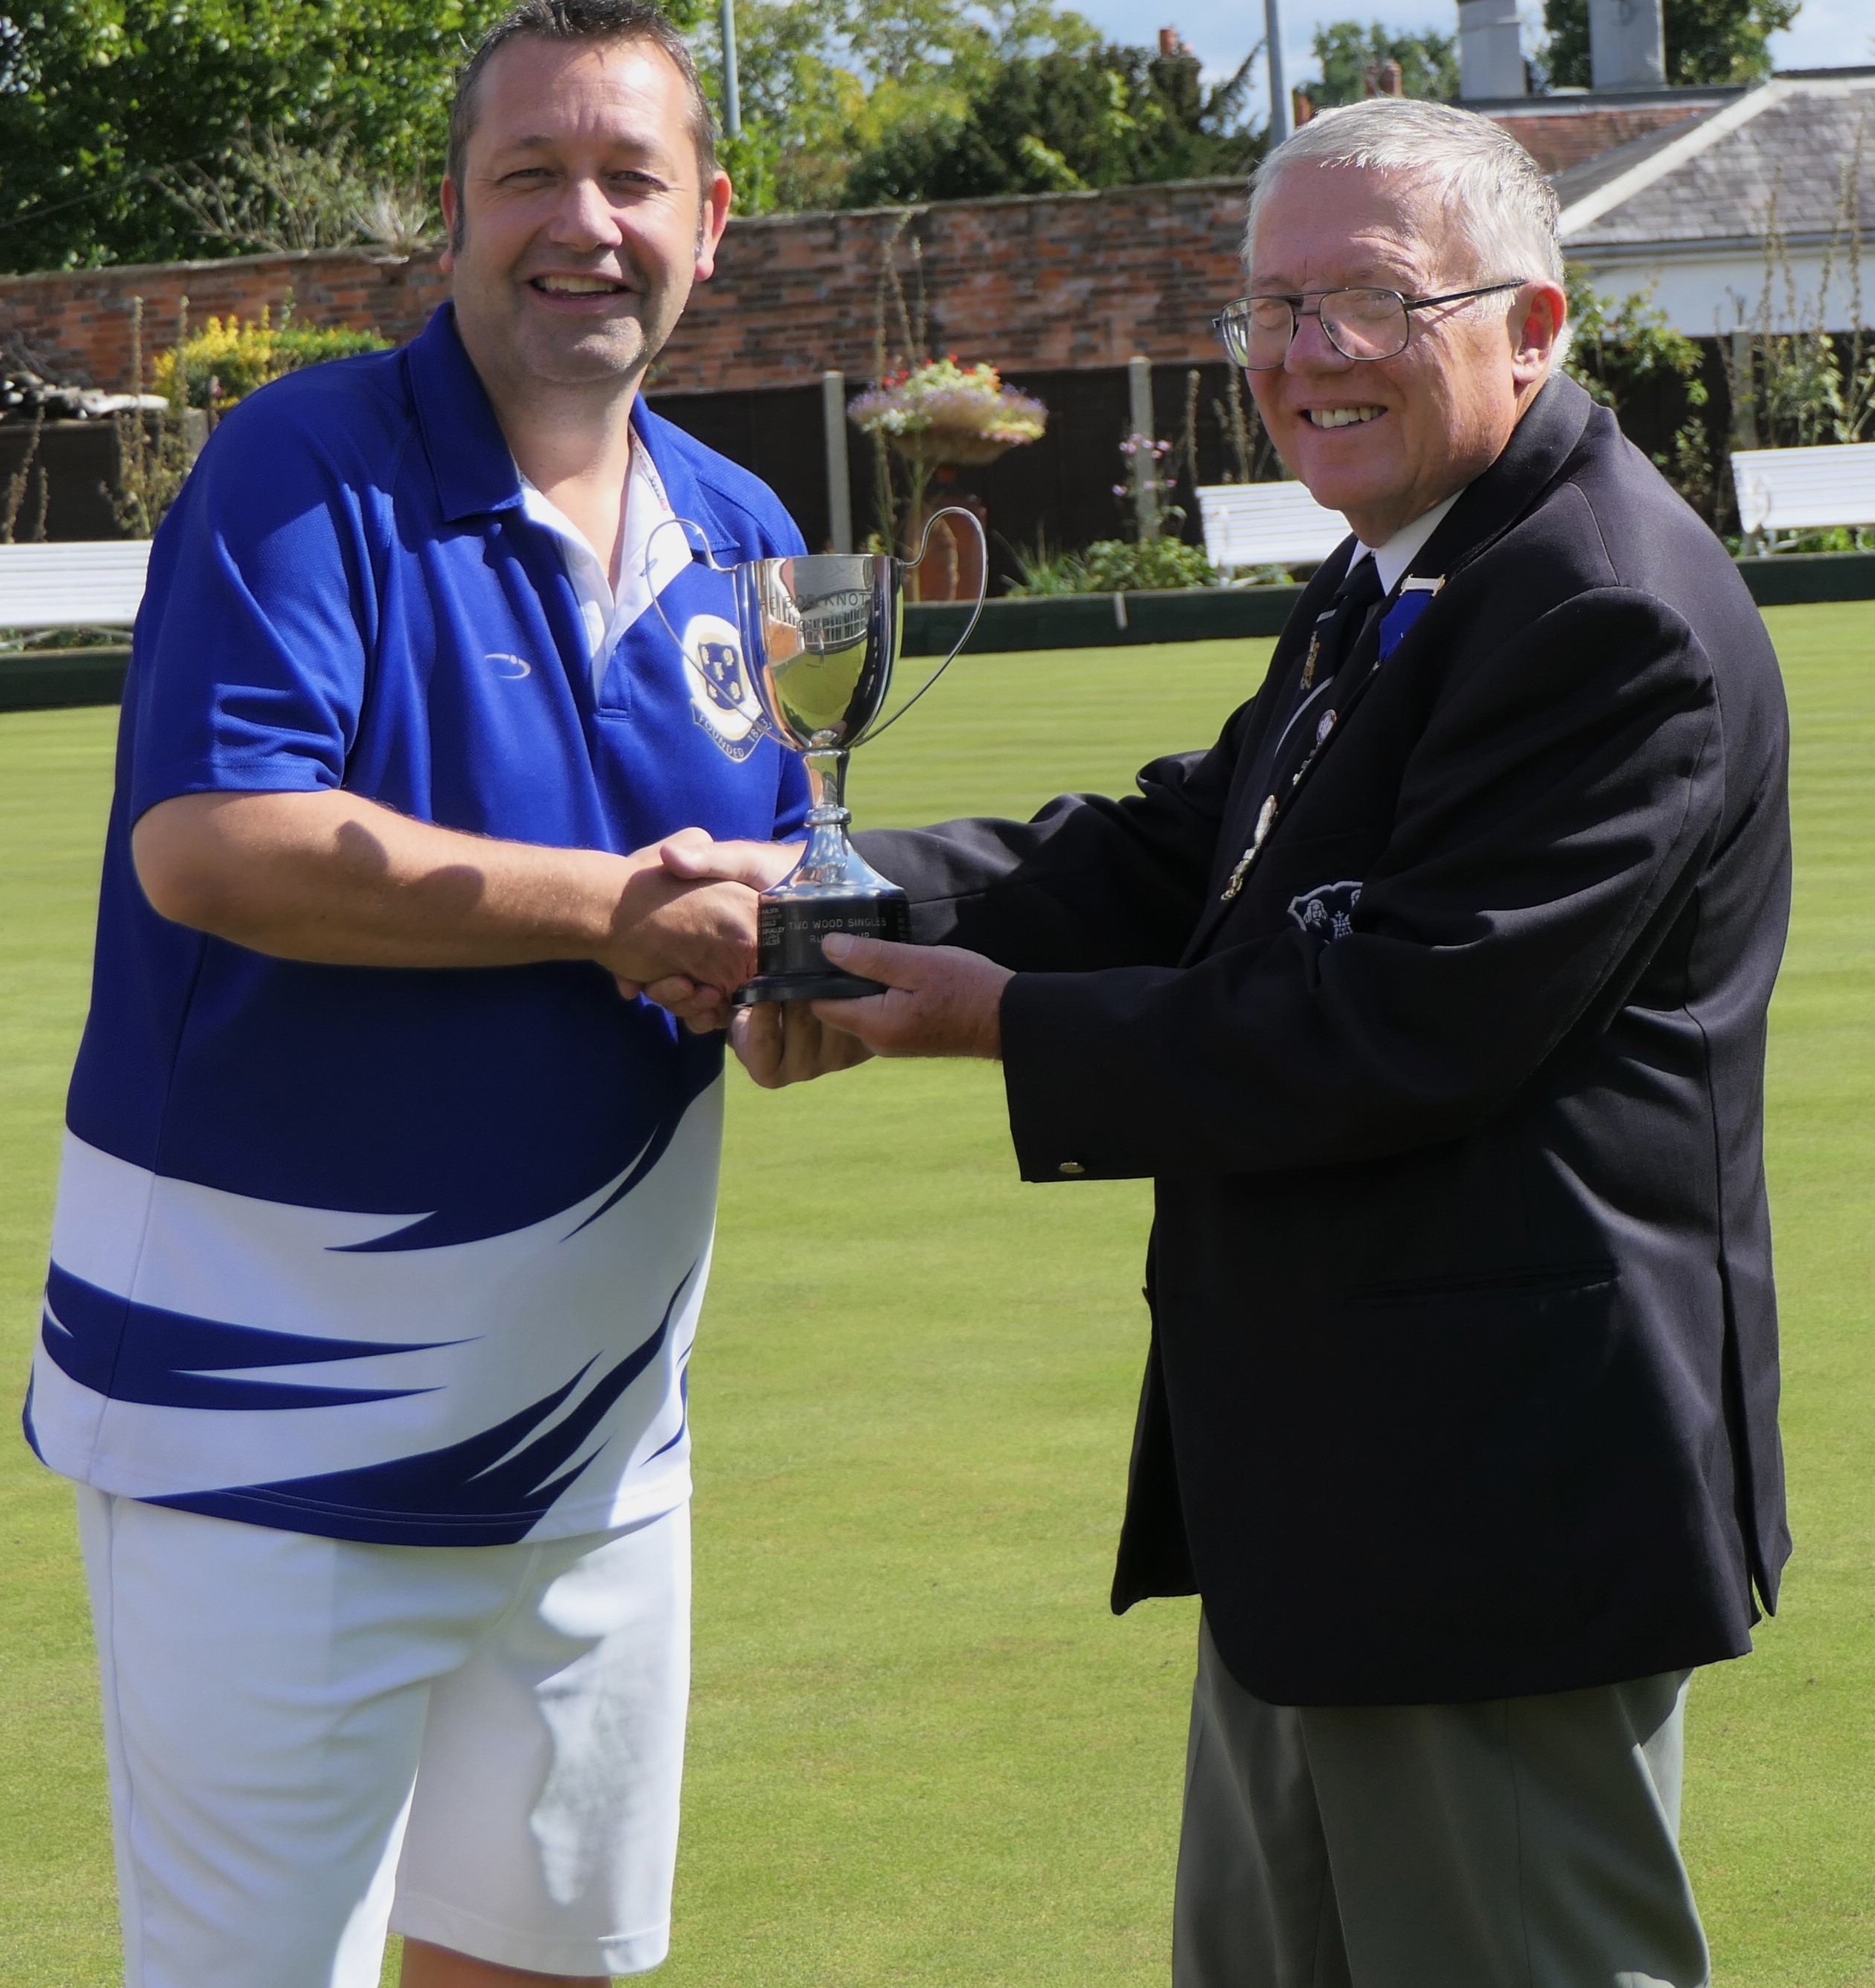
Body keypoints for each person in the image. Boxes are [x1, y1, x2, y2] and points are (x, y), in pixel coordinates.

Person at [696, 98, 1792, 1987]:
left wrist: (994, 1025)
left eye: (1368, 301)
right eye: (1270, 309)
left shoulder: (1597, 606)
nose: (1304, 354)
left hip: (1490, 1501)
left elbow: (1398, 1024)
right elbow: (1183, 848)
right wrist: (831, 896)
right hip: (1336, 1487)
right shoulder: (1412, 559)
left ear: (1529, 327)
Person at [27, 0, 813, 1988]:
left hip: (598, 1444)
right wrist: (613, 913)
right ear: (449, 213)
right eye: (528, 172)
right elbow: (216, 844)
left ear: (710, 218)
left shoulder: (742, 534)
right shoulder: (302, 466)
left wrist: (794, 976)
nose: (583, 222)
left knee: (551, 1965)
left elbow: (758, 883)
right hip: (264, 1429)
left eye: (629, 175)